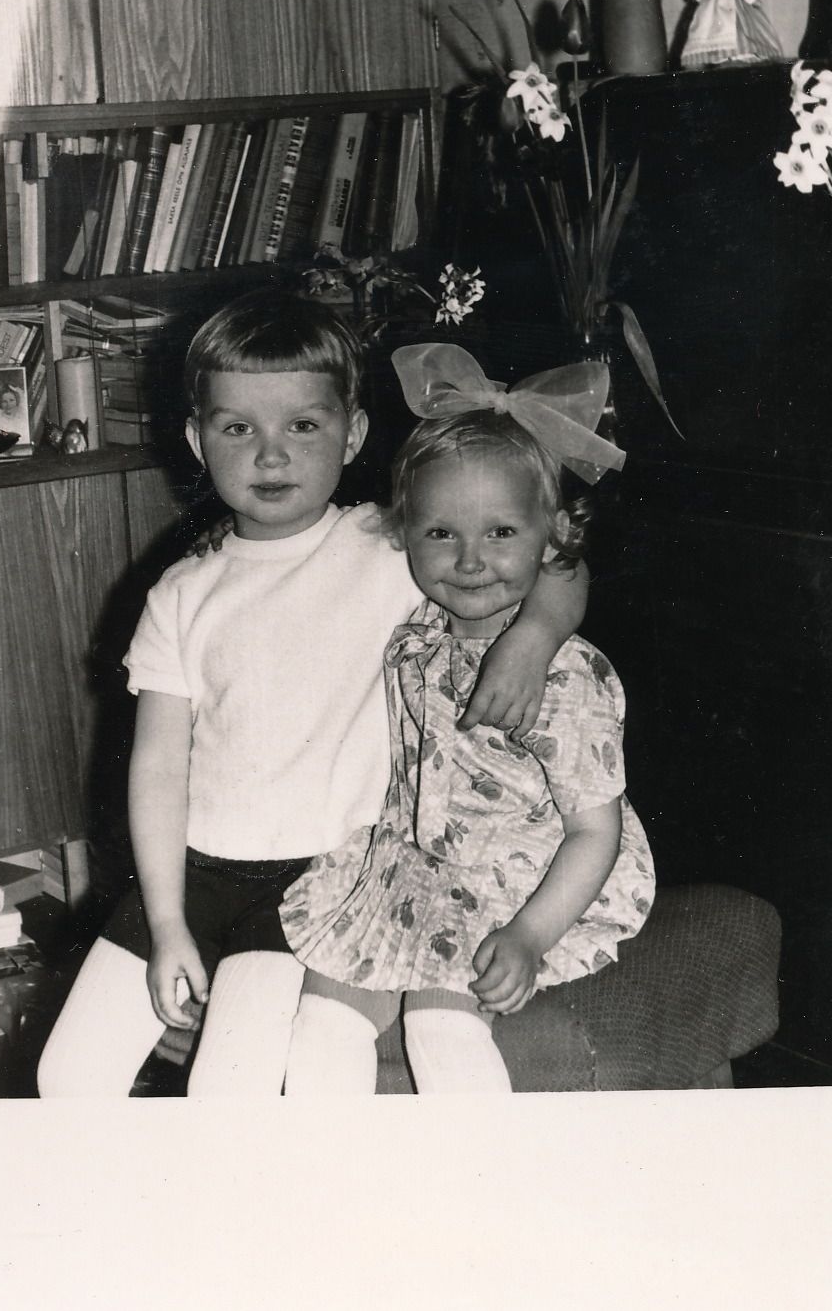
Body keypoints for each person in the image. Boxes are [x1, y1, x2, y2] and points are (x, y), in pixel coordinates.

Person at [37, 294, 589, 1096]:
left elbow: (558, 563)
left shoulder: (388, 546)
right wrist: (165, 922)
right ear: (196, 441)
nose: (271, 455)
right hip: (195, 873)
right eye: (238, 429)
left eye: (302, 425)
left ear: (352, 434)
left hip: (318, 884)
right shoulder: (181, 594)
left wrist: (532, 639)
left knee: (231, 1085)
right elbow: (157, 769)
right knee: (66, 1076)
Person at [280, 343, 654, 1094]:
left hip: (516, 885)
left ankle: (482, 1169)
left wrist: (529, 936)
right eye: (441, 533)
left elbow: (595, 831)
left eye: (501, 533)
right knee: (317, 1030)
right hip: (402, 870)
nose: (471, 560)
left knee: (440, 1029)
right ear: (403, 533)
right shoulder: (417, 630)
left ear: (553, 536)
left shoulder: (565, 675)